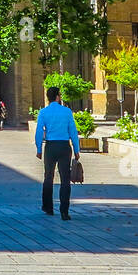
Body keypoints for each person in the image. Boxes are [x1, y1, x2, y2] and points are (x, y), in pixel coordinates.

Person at [34, 86, 80, 220]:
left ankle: (48, 207)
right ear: (58, 97)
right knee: (65, 179)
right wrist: (76, 150)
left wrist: (38, 149)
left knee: (48, 176)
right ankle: (64, 211)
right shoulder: (67, 112)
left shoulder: (43, 112)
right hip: (64, 146)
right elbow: (73, 132)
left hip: (51, 146)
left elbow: (38, 131)